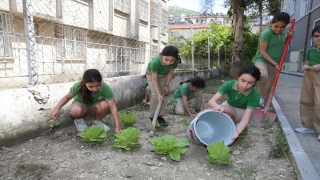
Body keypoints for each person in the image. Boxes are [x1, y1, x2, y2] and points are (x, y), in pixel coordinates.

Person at [50, 69, 121, 134]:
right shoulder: (78, 86)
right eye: (91, 87)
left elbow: (113, 107)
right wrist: (57, 108)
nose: (95, 89)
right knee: (76, 110)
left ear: (101, 81)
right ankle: (79, 121)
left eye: (98, 86)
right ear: (84, 83)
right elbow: (67, 97)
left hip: (95, 107)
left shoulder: (105, 88)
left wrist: (117, 128)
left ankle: (96, 122)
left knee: (105, 104)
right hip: (81, 106)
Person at [208, 65, 261, 145]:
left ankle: (235, 125)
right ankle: (233, 123)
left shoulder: (255, 95)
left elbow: (246, 117)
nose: (245, 85)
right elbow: (211, 101)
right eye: (243, 80)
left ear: (255, 82)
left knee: (219, 110)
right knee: (221, 112)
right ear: (238, 77)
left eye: (250, 83)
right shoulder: (229, 84)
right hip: (227, 105)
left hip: (242, 112)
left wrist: (237, 132)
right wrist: (218, 107)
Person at [253, 12, 293, 107]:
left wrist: (291, 36)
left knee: (269, 86)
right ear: (271, 23)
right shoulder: (266, 34)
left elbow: (283, 42)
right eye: (276, 26)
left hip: (275, 63)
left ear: (286, 26)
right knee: (263, 75)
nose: (279, 29)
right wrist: (275, 64)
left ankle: (266, 106)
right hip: (262, 60)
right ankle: (258, 98)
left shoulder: (283, 33)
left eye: (282, 27)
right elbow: (263, 51)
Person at [295, 25, 320, 141]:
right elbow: (307, 62)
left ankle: (319, 129)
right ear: (312, 37)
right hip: (309, 75)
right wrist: (306, 66)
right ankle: (308, 126)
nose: (319, 38)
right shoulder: (311, 50)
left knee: (319, 102)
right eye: (316, 36)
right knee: (306, 99)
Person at [146, 45, 180, 126]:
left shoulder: (176, 61)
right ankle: (152, 117)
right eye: (166, 59)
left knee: (162, 95)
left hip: (164, 75)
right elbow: (154, 80)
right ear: (162, 55)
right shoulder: (156, 62)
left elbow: (170, 73)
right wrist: (158, 94)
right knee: (155, 95)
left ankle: (159, 116)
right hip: (152, 74)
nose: (169, 63)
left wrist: (166, 85)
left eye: (172, 61)